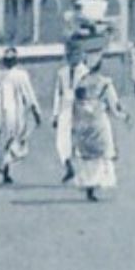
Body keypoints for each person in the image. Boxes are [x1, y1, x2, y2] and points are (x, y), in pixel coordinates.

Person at [70, 54, 132, 202]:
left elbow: (76, 105)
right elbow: (114, 105)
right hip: (98, 121)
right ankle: (96, 184)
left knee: (87, 156)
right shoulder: (105, 83)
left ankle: (88, 186)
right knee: (101, 154)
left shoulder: (81, 83)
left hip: (83, 122)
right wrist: (124, 116)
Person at [0, 47, 42, 185]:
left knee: (1, 141)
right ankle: (5, 166)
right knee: (12, 141)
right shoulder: (15, 75)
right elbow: (30, 96)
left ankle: (3, 166)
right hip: (12, 114)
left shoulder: (1, 74)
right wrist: (36, 112)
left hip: (2, 114)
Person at [50, 54, 86, 184]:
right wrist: (55, 114)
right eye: (71, 52)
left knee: (79, 141)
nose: (73, 55)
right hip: (64, 109)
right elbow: (57, 93)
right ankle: (69, 167)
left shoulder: (85, 72)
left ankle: (84, 174)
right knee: (61, 141)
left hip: (79, 108)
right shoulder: (62, 72)